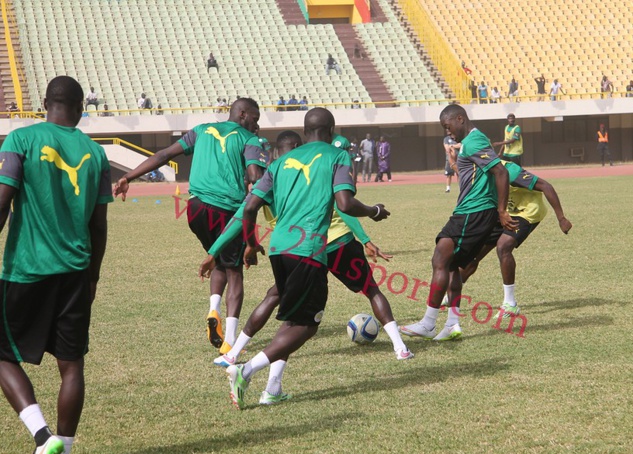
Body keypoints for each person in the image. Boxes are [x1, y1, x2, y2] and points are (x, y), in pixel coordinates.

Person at [202, 132, 412, 378]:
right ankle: (400, 348)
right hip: (331, 244)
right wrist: (365, 238)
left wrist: (214, 251)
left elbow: (242, 215)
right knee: (369, 290)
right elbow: (342, 207)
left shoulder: (276, 175)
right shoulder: (321, 164)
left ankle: (234, 354)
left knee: (277, 301)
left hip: (297, 249)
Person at [222, 108, 390, 409]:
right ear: (332, 129)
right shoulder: (336, 155)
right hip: (309, 249)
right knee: (307, 325)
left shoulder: (279, 162)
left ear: (305, 130)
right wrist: (374, 211)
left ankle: (272, 389)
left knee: (290, 320)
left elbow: (249, 209)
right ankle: (245, 371)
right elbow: (345, 203)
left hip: (278, 248)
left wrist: (250, 243)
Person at [0, 76, 112, 454]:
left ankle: (42, 435)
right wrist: (94, 275)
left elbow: (3, 201)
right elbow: (99, 225)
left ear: (46, 103)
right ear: (81, 108)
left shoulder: (20, 139)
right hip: (76, 272)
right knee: (72, 366)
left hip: (27, 270)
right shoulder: (96, 155)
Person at [113, 98, 266, 356]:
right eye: (255, 117)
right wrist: (259, 173)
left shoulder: (201, 130)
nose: (257, 123)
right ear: (242, 114)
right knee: (236, 271)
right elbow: (254, 177)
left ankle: (213, 309)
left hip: (194, 209)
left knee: (219, 260)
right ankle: (229, 341)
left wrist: (128, 176)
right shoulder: (249, 140)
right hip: (226, 211)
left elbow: (164, 155)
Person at [400, 104, 516, 340]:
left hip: (473, 212)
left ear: (460, 119)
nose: (448, 132)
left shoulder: (474, 141)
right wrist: (455, 163)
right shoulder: (473, 143)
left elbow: (501, 173)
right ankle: (452, 324)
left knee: (440, 256)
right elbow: (473, 174)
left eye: (448, 126)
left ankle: (428, 322)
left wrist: (502, 211)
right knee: (452, 265)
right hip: (473, 211)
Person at [441, 161, 573, 330]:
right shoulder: (477, 170)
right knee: (473, 253)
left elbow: (546, 186)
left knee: (503, 246)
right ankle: (451, 295)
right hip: (502, 213)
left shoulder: (509, 171)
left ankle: (510, 304)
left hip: (527, 212)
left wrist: (561, 218)